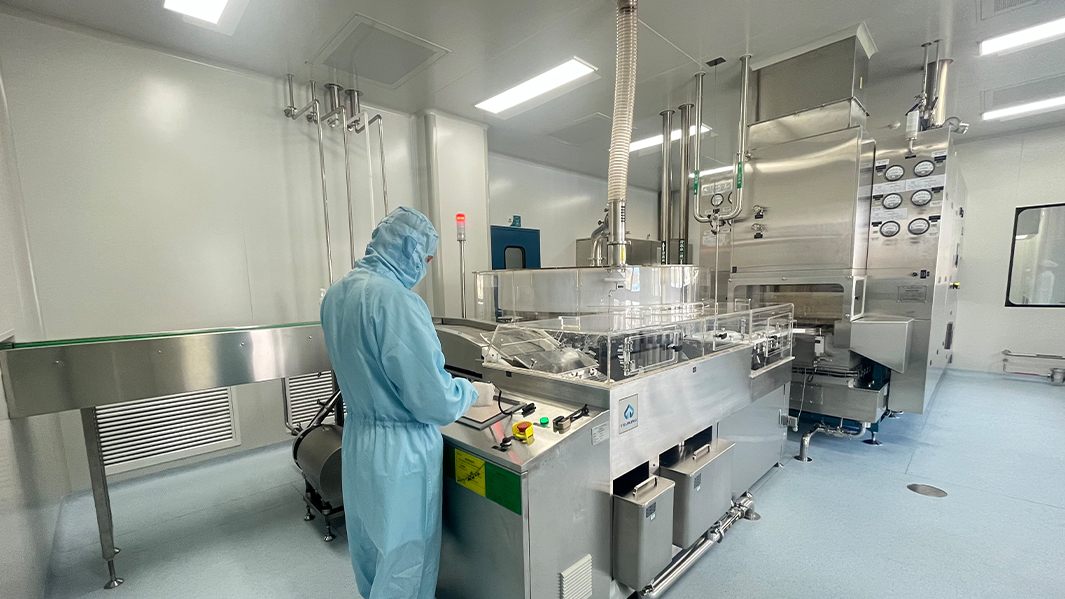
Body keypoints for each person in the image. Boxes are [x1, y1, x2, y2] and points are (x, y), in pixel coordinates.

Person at [320, 206, 496, 599]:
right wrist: (471, 392)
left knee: (370, 552)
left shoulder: (336, 295)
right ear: (411, 249)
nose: (425, 268)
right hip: (401, 454)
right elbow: (433, 401)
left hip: (358, 442)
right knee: (405, 564)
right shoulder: (397, 302)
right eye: (427, 259)